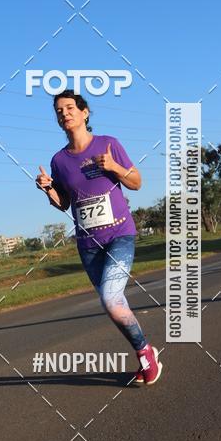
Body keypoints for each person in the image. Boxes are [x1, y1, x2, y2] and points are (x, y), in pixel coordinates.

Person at [35, 90, 162, 385]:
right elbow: (64, 203)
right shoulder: (59, 161)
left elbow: (137, 183)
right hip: (88, 245)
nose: (64, 113)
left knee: (110, 297)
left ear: (84, 112)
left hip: (120, 234)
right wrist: (47, 189)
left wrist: (113, 166)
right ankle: (144, 351)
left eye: (69, 108)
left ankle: (145, 354)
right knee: (113, 304)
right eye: (58, 111)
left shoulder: (108, 144)